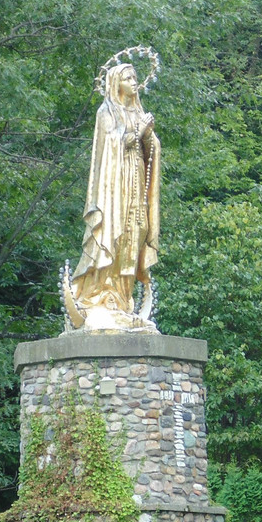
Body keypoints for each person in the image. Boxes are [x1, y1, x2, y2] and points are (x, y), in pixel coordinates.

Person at [69, 63, 161, 327]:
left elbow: (150, 149)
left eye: (135, 77)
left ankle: (123, 300)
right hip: (114, 190)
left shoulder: (138, 112)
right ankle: (100, 296)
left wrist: (149, 136)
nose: (135, 82)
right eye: (128, 78)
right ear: (115, 83)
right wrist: (139, 132)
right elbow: (110, 145)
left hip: (136, 182)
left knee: (135, 232)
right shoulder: (106, 111)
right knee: (114, 235)